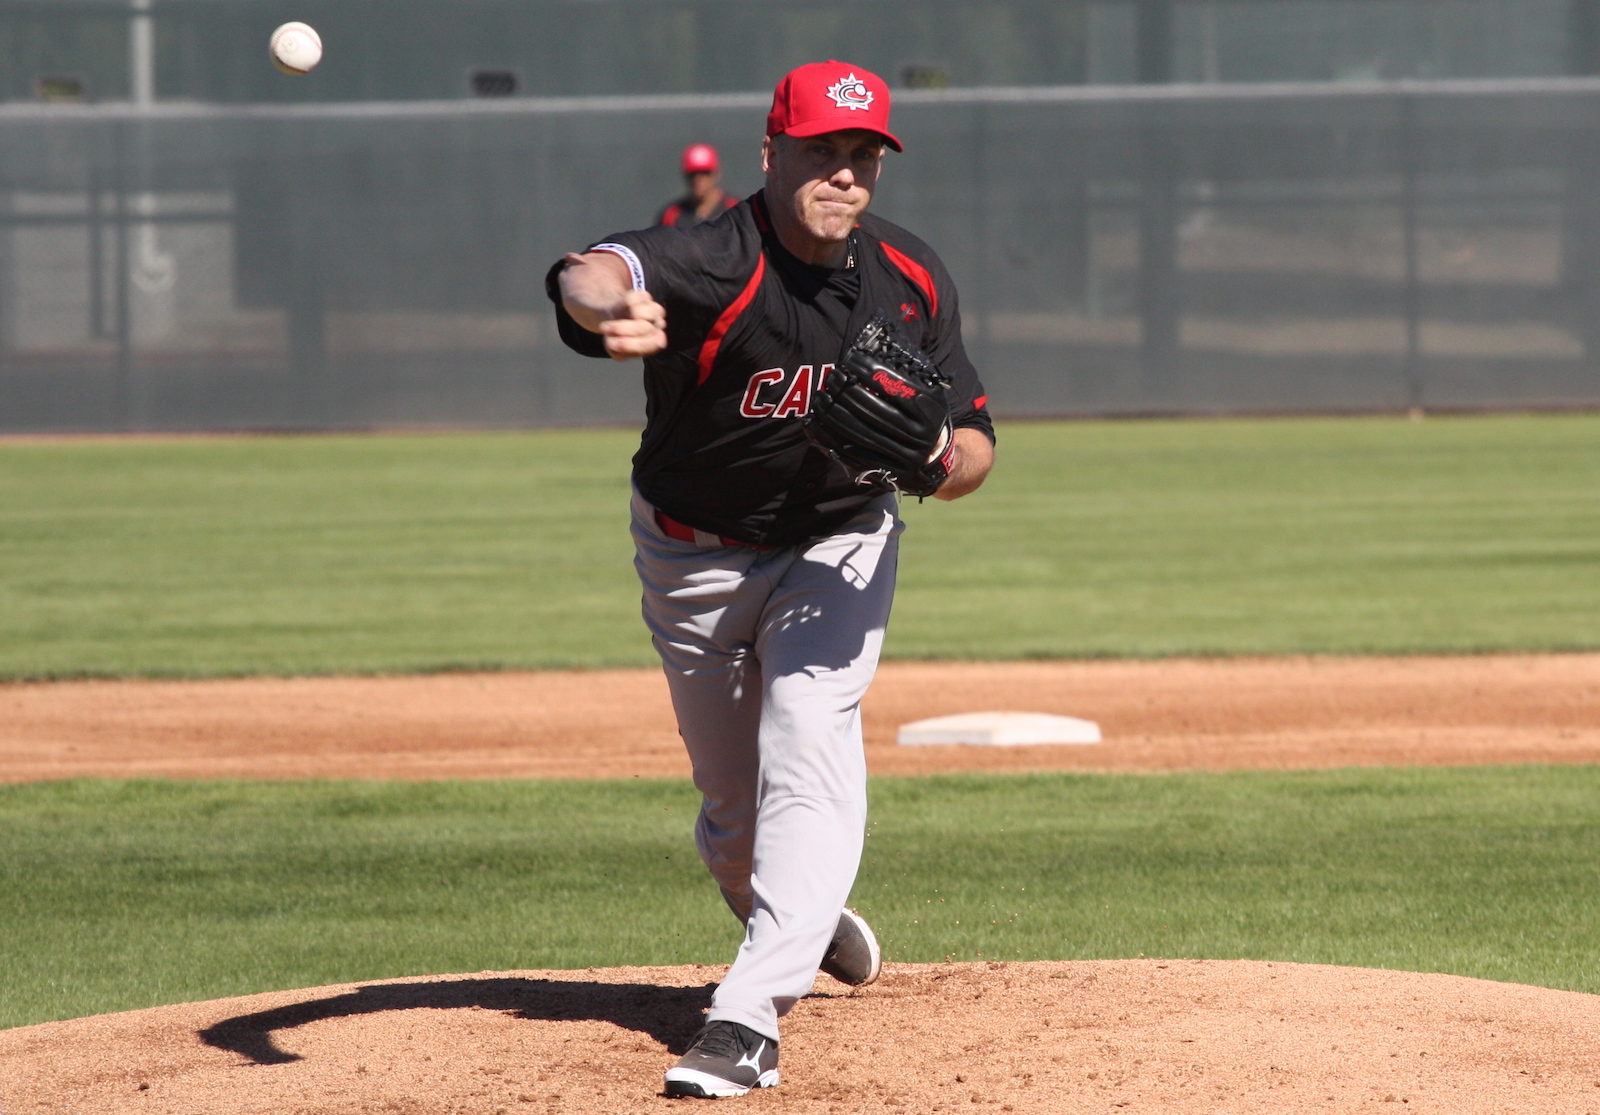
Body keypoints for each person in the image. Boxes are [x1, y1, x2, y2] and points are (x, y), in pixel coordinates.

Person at [547, 59, 995, 1100]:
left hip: (839, 538)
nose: (844, 173)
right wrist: (606, 309)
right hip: (693, 553)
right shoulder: (712, 258)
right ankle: (802, 908)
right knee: (734, 819)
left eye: (863, 155)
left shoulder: (910, 275)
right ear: (770, 152)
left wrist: (936, 459)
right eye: (821, 150)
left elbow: (975, 444)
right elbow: (590, 271)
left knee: (808, 723)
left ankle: (747, 1018)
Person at [656, 143, 740, 229]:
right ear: (685, 175)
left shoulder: (735, 210)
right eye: (693, 174)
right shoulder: (671, 216)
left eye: (705, 173)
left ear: (716, 174)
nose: (699, 179)